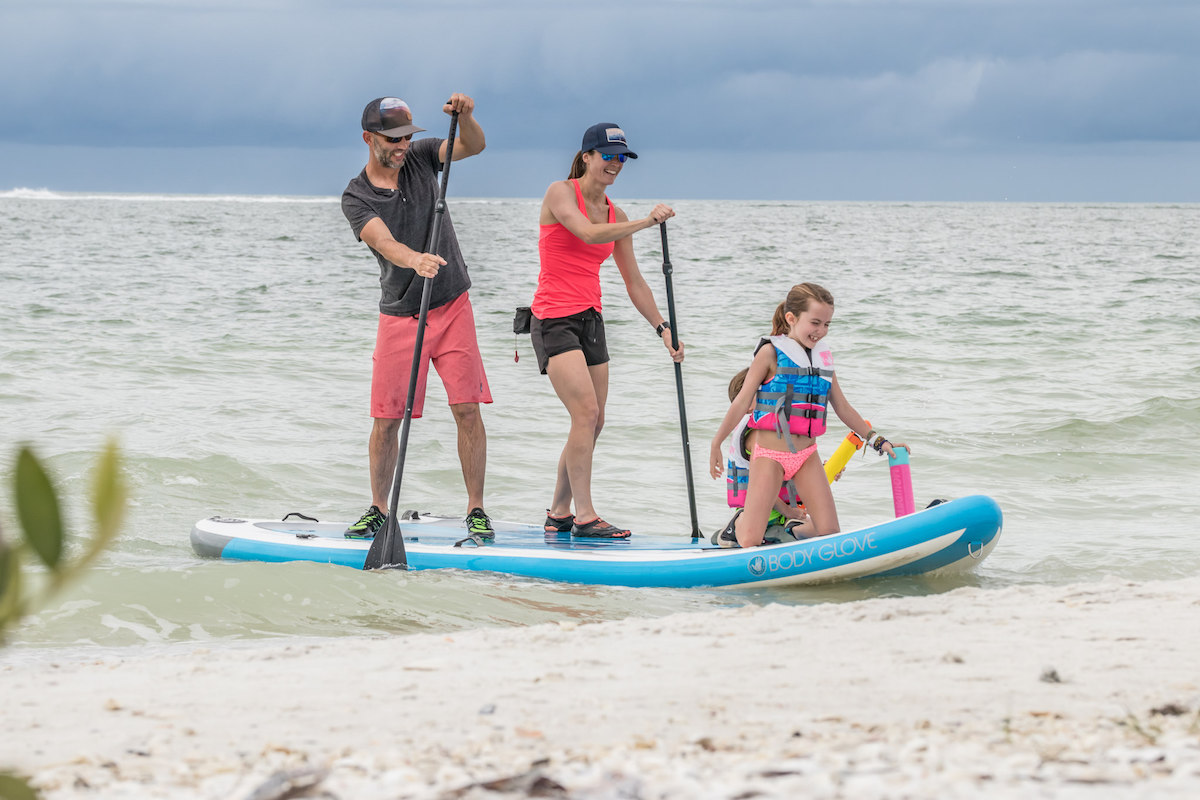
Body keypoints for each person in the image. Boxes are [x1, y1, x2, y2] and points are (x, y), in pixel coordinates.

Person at [340, 94, 493, 541]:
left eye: (408, 136)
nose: (403, 145)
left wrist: (466, 118)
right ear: (369, 139)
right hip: (401, 315)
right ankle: (379, 509)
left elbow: (474, 146)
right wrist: (414, 259)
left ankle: (477, 510)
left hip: (452, 305)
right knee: (387, 419)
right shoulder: (357, 195)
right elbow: (384, 242)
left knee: (467, 409)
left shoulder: (424, 158)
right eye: (393, 139)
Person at [532, 122, 683, 539]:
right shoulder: (560, 192)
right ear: (587, 157)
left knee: (594, 422)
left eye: (621, 158)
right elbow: (585, 232)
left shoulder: (615, 213)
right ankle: (585, 515)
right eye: (607, 156)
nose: (615, 164)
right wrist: (644, 223)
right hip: (552, 318)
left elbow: (634, 281)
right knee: (585, 413)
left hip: (590, 319)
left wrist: (662, 328)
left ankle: (559, 511)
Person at [708, 283, 907, 548]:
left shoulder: (823, 359)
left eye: (827, 324)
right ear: (791, 318)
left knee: (829, 530)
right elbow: (742, 400)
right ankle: (738, 523)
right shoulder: (770, 353)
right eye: (815, 322)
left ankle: (791, 530)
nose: (821, 331)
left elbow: (843, 408)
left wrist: (877, 440)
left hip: (806, 456)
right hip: (770, 455)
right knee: (749, 541)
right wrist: (716, 442)